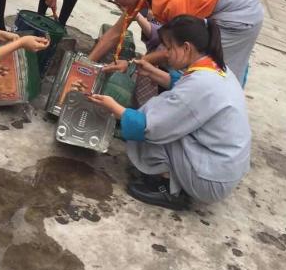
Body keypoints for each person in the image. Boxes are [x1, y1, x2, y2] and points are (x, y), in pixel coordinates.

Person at [90, 15, 251, 210]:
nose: (165, 53)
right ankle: (174, 176)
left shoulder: (202, 83)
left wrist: (115, 109)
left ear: (186, 48)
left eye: (169, 47)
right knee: (164, 113)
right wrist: (152, 72)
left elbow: (149, 126)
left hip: (210, 181)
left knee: (155, 119)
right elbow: (187, 92)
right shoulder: (216, 67)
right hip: (222, 168)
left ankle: (169, 189)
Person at [89, 0, 263, 85]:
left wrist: (133, 63)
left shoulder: (171, 1)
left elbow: (173, 51)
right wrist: (87, 64)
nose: (116, 2)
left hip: (238, 14)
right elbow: (115, 33)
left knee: (213, 73)